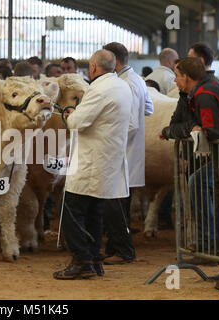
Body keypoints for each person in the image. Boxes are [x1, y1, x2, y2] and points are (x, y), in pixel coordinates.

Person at [159, 57, 219, 288]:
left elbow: (213, 131)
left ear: (186, 76)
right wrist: (187, 127)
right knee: (213, 198)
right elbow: (181, 123)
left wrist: (190, 129)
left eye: (176, 75)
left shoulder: (204, 95)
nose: (174, 79)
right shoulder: (199, 91)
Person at [53, 49, 132, 280]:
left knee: (70, 209)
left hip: (91, 161)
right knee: (94, 212)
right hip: (108, 159)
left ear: (94, 68)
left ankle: (82, 260)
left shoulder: (99, 89)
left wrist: (70, 113)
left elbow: (78, 122)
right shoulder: (121, 86)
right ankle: (94, 259)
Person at [102, 42, 153, 264]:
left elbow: (130, 123)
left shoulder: (126, 83)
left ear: (114, 60)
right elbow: (149, 108)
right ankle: (116, 247)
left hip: (122, 151)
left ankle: (124, 250)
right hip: (127, 152)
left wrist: (108, 137)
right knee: (118, 203)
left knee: (116, 204)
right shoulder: (136, 80)